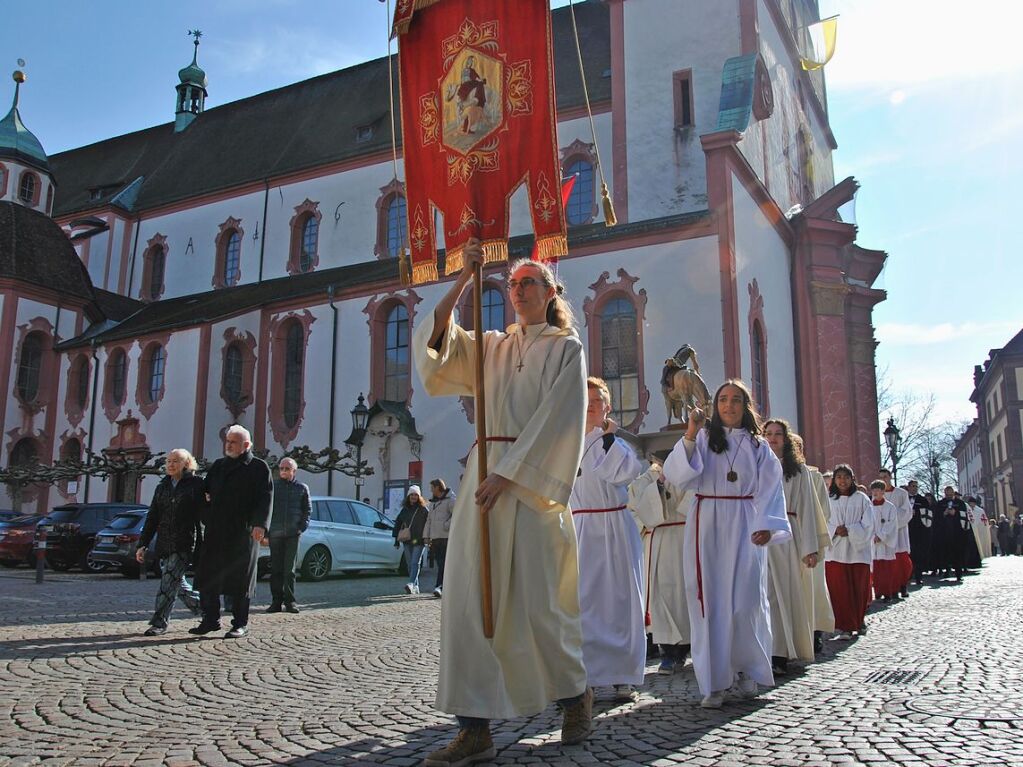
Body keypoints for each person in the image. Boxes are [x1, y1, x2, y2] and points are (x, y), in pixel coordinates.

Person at [415, 242, 592, 767]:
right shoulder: (492, 345)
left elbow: (562, 419)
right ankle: (474, 729)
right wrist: (465, 279)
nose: (519, 291)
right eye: (513, 284)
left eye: (530, 283)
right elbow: (438, 343)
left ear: (551, 292)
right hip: (483, 485)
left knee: (538, 605)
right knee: (471, 603)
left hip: (529, 488)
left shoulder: (566, 349)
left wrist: (510, 475)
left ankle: (574, 696)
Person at [662, 380, 790, 709]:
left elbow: (771, 487)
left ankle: (746, 669)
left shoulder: (759, 446)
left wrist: (766, 525)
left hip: (746, 521)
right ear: (715, 406)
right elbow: (679, 476)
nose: (728, 405)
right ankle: (714, 682)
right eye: (722, 400)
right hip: (708, 522)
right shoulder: (704, 438)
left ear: (745, 406)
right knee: (711, 602)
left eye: (735, 400)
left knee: (746, 600)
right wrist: (690, 432)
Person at [571, 376, 645, 703]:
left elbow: (623, 474)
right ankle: (585, 676)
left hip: (614, 525)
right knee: (583, 603)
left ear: (608, 406)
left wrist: (607, 441)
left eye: (597, 401)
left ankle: (622, 676)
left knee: (620, 602)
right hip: (581, 527)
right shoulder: (567, 442)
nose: (591, 407)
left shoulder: (617, 443)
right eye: (586, 401)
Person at [191, 425, 272, 639]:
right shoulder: (218, 466)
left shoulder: (258, 467)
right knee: (209, 576)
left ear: (246, 445)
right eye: (227, 441)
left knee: (240, 580)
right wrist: (206, 516)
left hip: (243, 532)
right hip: (216, 530)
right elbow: (204, 494)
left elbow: (265, 498)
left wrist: (260, 524)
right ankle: (210, 620)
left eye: (233, 442)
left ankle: (240, 623)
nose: (228, 445)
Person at [763, 419, 830, 673]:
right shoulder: (756, 466)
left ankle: (779, 654)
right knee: (764, 596)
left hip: (788, 537)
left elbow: (808, 510)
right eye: (767, 434)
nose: (772, 438)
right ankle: (762, 652)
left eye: (777, 434)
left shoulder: (799, 472)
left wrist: (810, 548)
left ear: (786, 439)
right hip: (759, 538)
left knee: (784, 597)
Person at [628, 460, 691, 675]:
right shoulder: (643, 480)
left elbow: (694, 504)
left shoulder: (693, 475)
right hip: (658, 540)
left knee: (685, 596)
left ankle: (685, 648)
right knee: (660, 596)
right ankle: (668, 651)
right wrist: (659, 486)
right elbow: (635, 511)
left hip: (686, 539)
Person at [137, 448, 204, 636]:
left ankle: (159, 622)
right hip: (165, 541)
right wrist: (143, 543)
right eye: (169, 461)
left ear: (186, 464)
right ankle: (205, 609)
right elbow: (153, 516)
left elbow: (205, 513)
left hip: (185, 541)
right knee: (177, 583)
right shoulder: (163, 486)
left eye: (176, 461)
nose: (171, 464)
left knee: (168, 580)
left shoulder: (196, 484)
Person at [790, 434, 834, 653]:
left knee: (813, 587)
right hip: (786, 538)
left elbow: (823, 510)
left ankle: (815, 631)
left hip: (809, 535)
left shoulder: (813, 476)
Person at [824, 464, 874, 640]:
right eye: (839, 477)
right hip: (835, 550)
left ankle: (858, 620)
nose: (842, 480)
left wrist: (850, 530)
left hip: (857, 551)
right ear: (834, 480)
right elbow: (822, 520)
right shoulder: (828, 499)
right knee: (839, 589)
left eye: (846, 477)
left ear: (852, 479)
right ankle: (845, 625)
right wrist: (835, 530)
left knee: (858, 589)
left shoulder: (861, 499)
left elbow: (869, 523)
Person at [267, 458, 310, 614]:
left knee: (289, 570)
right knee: (276, 569)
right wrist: (266, 531)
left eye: (287, 468)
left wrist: (301, 527)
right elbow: (267, 508)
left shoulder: (302, 488)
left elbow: (307, 510)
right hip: (275, 533)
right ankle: (276, 601)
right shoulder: (273, 487)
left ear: (294, 471)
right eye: (281, 468)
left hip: (293, 534)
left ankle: (290, 602)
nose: (283, 471)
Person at [878, 469, 913, 598]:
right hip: (884, 534)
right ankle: (890, 588)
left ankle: (903, 585)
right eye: (880, 477)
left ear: (890, 477)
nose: (883, 480)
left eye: (885, 477)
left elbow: (907, 512)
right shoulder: (877, 494)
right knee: (887, 563)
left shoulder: (901, 493)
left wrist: (892, 521)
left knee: (902, 562)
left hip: (899, 532)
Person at [392, 486, 429, 595]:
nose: (413, 497)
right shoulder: (405, 509)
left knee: (415, 562)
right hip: (407, 540)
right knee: (409, 564)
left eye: (416, 495)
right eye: (412, 495)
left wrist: (428, 537)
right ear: (408, 496)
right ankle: (416, 586)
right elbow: (398, 523)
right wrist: (396, 540)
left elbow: (429, 524)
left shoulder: (423, 510)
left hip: (419, 541)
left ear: (419, 496)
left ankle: (411, 583)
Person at [869, 480, 900, 602]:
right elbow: (867, 522)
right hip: (873, 542)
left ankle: (887, 592)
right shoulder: (868, 506)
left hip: (885, 542)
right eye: (873, 490)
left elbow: (891, 524)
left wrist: (881, 536)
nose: (875, 493)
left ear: (883, 491)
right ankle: (877, 591)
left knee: (886, 569)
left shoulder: (890, 507)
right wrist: (872, 536)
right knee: (876, 569)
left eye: (878, 490)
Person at [424, 478, 454, 598]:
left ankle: (440, 586)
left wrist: (446, 525)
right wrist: (426, 535)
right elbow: (429, 520)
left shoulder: (451, 500)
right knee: (440, 563)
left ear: (437, 487)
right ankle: (441, 586)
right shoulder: (433, 503)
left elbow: (456, 514)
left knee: (443, 564)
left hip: (445, 537)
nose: (431, 490)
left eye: (432, 487)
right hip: (435, 538)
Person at [933, 486, 969, 582]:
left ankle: (958, 573)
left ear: (954, 493)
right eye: (947, 494)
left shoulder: (960, 503)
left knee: (957, 554)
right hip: (944, 533)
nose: (949, 496)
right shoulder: (940, 504)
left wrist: (955, 513)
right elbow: (935, 518)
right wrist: (943, 514)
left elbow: (965, 516)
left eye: (951, 494)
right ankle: (946, 570)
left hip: (957, 533)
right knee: (945, 553)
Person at [906, 480, 933, 583]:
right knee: (908, 554)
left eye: (916, 486)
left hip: (919, 531)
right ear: (908, 487)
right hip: (906, 529)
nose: (915, 488)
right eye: (913, 486)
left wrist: (916, 512)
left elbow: (928, 514)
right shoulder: (903, 498)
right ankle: (908, 576)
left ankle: (918, 576)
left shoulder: (922, 500)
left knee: (918, 555)